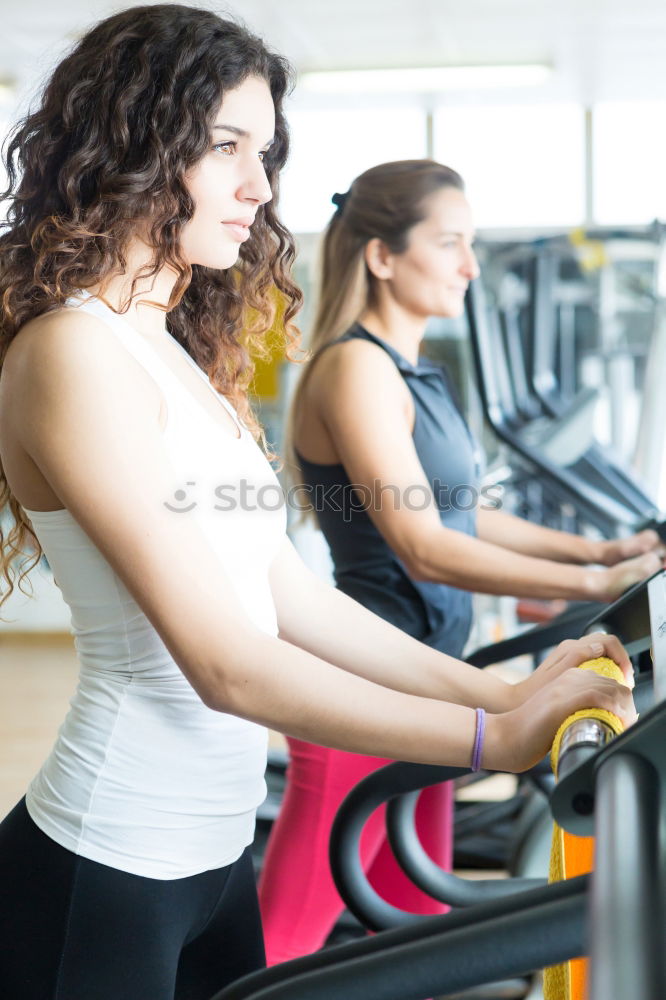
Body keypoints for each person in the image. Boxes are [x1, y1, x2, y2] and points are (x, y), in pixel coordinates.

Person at [0, 10, 636, 999]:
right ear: (132, 142)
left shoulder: (164, 352)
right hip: (112, 864)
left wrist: (500, 692)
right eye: (224, 148)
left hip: (212, 864)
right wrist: (487, 742)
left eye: (265, 152)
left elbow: (291, 598)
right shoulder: (72, 352)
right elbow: (225, 662)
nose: (259, 186)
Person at [257, 159, 661, 964]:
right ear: (382, 255)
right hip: (363, 676)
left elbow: (464, 511)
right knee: (292, 927)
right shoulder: (354, 369)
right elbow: (424, 544)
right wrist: (597, 584)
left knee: (413, 919)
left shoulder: (417, 373)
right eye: (451, 244)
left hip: (433, 671)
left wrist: (608, 550)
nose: (472, 266)